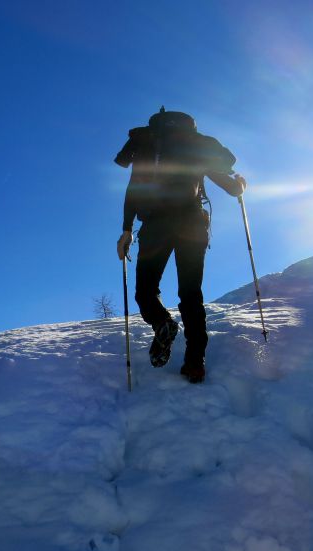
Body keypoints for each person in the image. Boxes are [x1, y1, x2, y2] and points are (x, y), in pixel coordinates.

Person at [114, 108, 246, 383]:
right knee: (190, 293)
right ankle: (195, 363)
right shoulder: (195, 146)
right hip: (192, 224)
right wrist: (240, 186)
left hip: (155, 226)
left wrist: (126, 230)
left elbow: (133, 189)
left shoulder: (147, 146)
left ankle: (162, 322)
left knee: (145, 291)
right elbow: (231, 188)